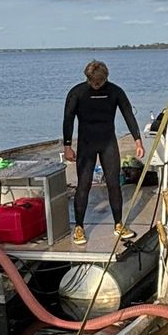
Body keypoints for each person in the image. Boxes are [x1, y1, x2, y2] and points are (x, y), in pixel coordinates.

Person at [63, 60, 144, 245]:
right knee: (83, 185)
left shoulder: (115, 91)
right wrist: (67, 146)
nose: (97, 85)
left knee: (114, 184)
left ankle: (118, 224)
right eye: (93, 81)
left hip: (108, 143)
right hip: (86, 144)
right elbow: (68, 119)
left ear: (106, 77)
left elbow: (128, 114)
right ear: (88, 78)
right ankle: (79, 227)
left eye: (100, 81)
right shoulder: (77, 93)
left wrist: (137, 140)